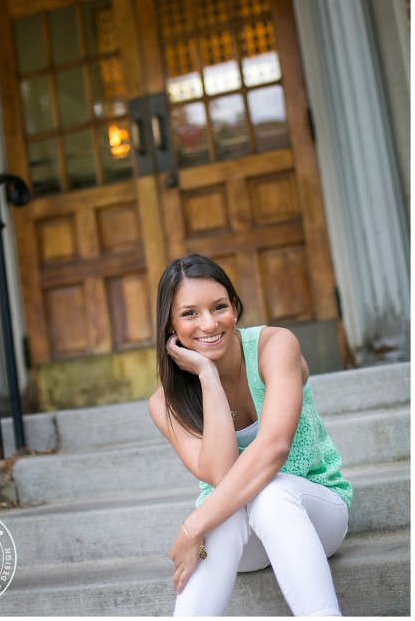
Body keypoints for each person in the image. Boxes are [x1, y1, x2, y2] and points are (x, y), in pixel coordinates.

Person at [149, 254, 352, 616]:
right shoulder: (166, 402)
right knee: (225, 510)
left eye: (219, 307)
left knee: (268, 494)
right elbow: (221, 475)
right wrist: (207, 377)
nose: (209, 323)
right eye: (190, 313)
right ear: (170, 326)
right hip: (239, 535)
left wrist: (193, 525)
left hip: (314, 511)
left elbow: (273, 449)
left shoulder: (275, 346)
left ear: (236, 308)